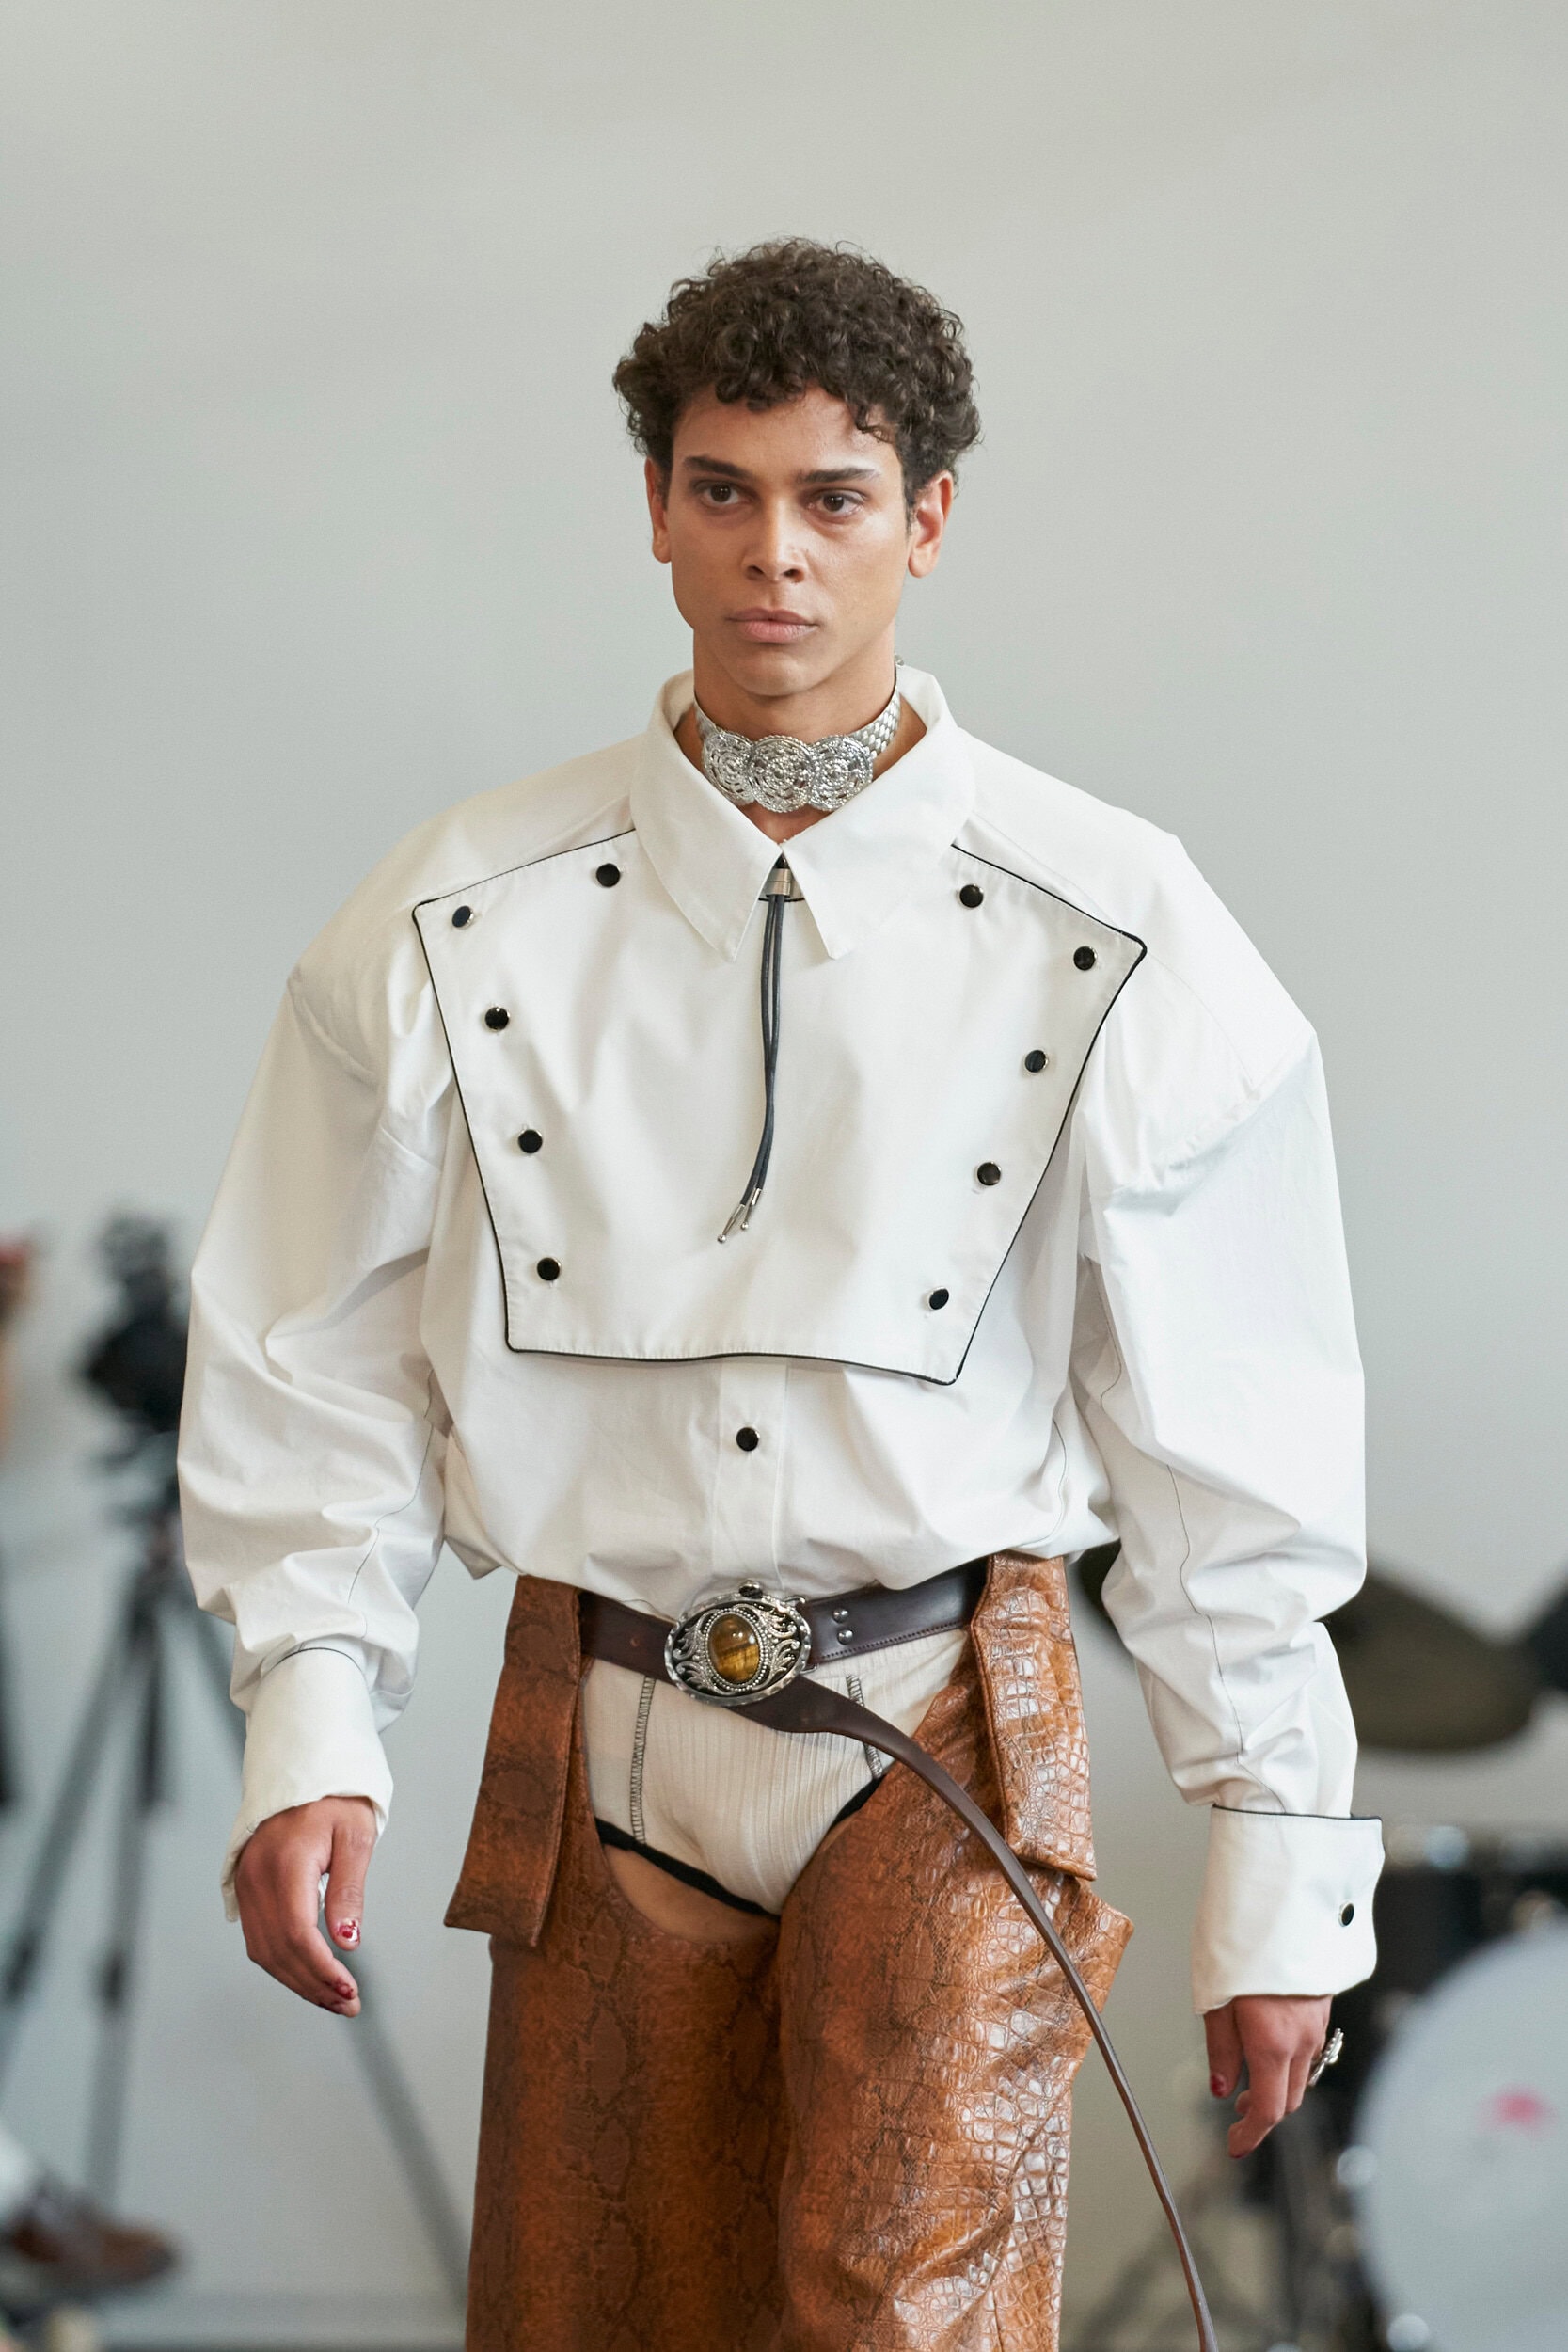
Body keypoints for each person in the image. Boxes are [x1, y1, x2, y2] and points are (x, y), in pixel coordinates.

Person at [178, 241, 1383, 2350]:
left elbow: (1229, 1432)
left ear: (930, 518)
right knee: (590, 2315)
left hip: (940, 1726)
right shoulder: (458, 908)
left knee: (909, 2320)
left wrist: (1280, 1854)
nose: (776, 554)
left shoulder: (1115, 921)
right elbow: (314, 1346)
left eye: (835, 497)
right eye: (723, 490)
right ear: (655, 506)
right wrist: (311, 1720)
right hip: (599, 1722)